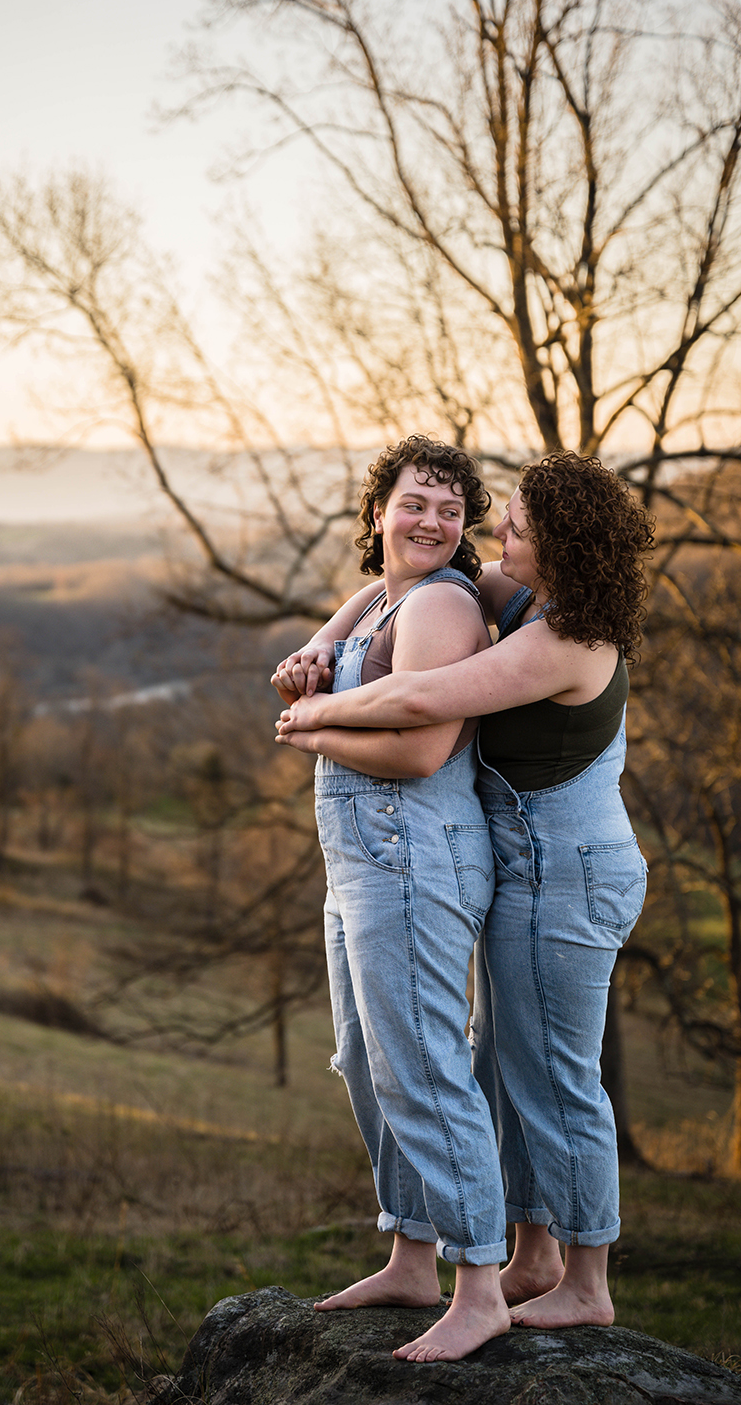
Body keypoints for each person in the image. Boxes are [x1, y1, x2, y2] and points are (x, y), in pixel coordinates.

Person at [276, 451, 653, 1336]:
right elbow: (397, 587)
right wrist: (326, 645)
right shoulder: (518, 596)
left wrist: (314, 718)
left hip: (570, 872)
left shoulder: (566, 638)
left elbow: (426, 701)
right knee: (499, 1062)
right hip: (528, 866)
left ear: (558, 548)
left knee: (556, 1076)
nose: (492, 536)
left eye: (512, 527)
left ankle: (585, 1280)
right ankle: (532, 1258)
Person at [272, 435, 516, 1364]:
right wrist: (312, 662)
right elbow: (327, 647)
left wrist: (311, 729)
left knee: (420, 1063)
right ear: (380, 511)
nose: (433, 522)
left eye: (452, 512)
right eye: (417, 502)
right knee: (360, 1055)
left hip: (415, 853)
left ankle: (480, 1283)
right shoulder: (383, 596)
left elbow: (421, 750)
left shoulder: (444, 603)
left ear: (465, 532)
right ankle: (412, 1254)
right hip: (362, 860)